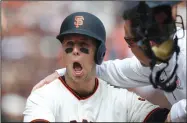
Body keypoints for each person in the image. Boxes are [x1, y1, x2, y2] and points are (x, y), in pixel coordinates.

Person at [32, 1, 186, 122]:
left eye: (129, 41)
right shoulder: (158, 59)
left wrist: (176, 113)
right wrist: (63, 75)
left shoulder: (183, 52)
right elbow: (113, 72)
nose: (128, 47)